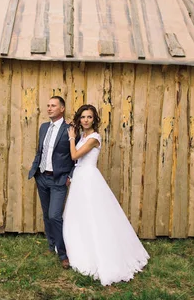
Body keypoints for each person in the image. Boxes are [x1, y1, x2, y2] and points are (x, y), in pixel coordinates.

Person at [64, 104, 149, 286]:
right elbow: (78, 163)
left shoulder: (94, 137)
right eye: (83, 117)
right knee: (79, 215)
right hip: (79, 177)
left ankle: (101, 254)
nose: (86, 120)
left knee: (94, 215)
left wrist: (71, 138)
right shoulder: (83, 136)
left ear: (94, 119)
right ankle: (78, 249)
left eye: (89, 117)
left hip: (89, 179)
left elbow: (75, 155)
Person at [28, 96, 76, 269]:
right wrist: (35, 170)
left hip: (58, 180)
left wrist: (70, 175)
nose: (49, 108)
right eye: (47, 105)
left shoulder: (70, 129)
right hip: (42, 177)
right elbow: (40, 151)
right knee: (46, 215)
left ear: (62, 108)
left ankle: (63, 255)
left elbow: (76, 155)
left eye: (53, 106)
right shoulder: (43, 127)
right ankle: (51, 246)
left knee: (55, 215)